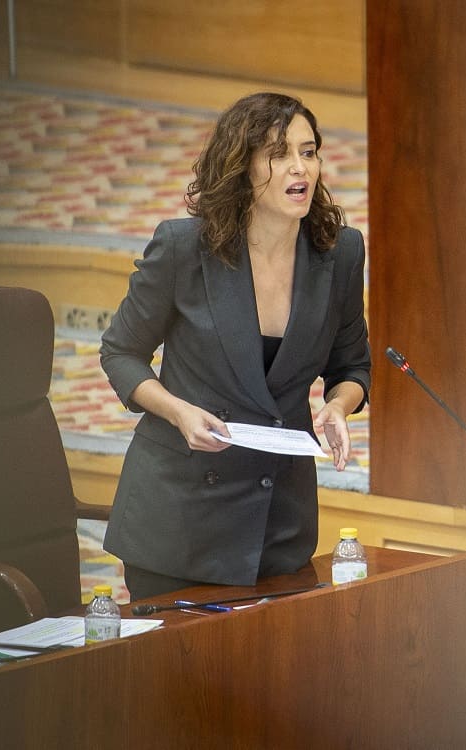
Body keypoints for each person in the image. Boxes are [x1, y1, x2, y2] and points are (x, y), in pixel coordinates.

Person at [99, 92, 371, 601]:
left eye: (308, 152)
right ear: (241, 166)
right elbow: (120, 352)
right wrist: (178, 411)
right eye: (278, 154)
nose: (300, 169)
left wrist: (339, 404)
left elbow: (352, 364)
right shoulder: (183, 248)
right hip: (181, 520)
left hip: (279, 522)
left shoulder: (340, 252)